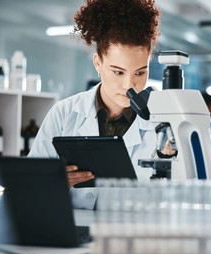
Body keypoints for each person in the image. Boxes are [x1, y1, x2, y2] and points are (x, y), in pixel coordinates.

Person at [28, 0, 174, 209]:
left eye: (140, 72)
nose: (129, 85)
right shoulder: (64, 113)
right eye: (118, 72)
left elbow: (183, 195)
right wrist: (54, 182)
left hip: (133, 237)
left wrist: (168, 159)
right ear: (98, 63)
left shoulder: (163, 121)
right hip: (73, 234)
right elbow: (31, 185)